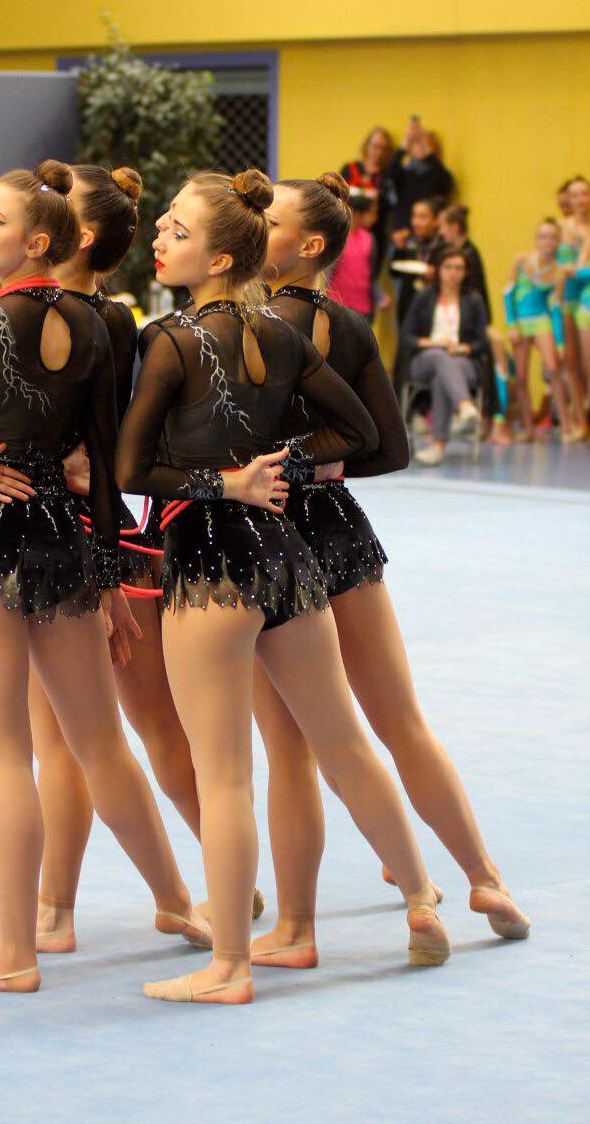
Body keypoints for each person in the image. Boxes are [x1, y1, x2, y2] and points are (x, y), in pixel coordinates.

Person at [117, 168, 450, 1006]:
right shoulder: (281, 333)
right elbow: (360, 431)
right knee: (343, 743)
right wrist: (287, 466)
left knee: (225, 775)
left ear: (219, 256)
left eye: (177, 230)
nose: (159, 237)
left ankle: (228, 965)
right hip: (287, 557)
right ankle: (419, 897)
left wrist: (224, 482)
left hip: (212, 563)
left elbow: (131, 469)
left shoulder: (169, 340)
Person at [0, 159, 210, 995]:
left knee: (4, 759)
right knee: (99, 743)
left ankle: (17, 956)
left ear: (35, 242)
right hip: (65, 542)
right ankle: (176, 901)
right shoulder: (97, 327)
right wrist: (107, 579)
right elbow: (102, 469)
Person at [0, 163, 247, 959]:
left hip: (107, 532)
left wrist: (85, 470)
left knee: (144, 726)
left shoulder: (106, 321)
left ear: (73, 236)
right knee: (68, 734)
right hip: (63, 526)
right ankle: (65, 907)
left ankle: (222, 876)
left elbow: (121, 435)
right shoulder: (46, 312)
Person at [245, 173, 529, 967]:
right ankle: (484, 879)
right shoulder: (348, 323)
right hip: (337, 528)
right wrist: (319, 466)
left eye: (268, 219)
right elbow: (388, 445)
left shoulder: (250, 326)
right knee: (399, 723)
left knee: (292, 749)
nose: (254, 227)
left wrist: (275, 467)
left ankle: (296, 928)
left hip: (267, 535)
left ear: (309, 244)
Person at [402, 246, 489, 465]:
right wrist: (433, 343)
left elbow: (482, 342)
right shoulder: (424, 296)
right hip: (426, 358)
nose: (453, 273)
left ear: (465, 272)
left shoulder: (473, 300)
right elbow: (406, 336)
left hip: (462, 360)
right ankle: (464, 405)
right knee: (439, 357)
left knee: (443, 374)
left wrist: (463, 348)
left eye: (459, 268)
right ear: (439, 270)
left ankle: (438, 446)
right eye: (449, 267)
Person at [439, 204, 513, 443]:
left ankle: (498, 422)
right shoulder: (456, 252)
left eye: (443, 226)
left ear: (454, 227)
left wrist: (482, 325)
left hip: (473, 324)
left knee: (496, 356)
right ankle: (488, 420)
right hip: (461, 323)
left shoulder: (469, 254)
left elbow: (480, 294)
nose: (440, 232)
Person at [504, 219, 578, 442]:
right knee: (521, 376)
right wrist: (511, 325)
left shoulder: (558, 272)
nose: (548, 241)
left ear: (558, 241)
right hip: (521, 322)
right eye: (543, 236)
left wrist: (561, 343)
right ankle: (529, 428)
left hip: (541, 321)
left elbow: (555, 309)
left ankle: (566, 426)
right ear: (536, 239)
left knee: (554, 369)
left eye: (553, 237)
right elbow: (508, 294)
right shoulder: (521, 260)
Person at [556, 177, 589, 438]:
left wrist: (576, 271)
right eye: (575, 195)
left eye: (584, 194)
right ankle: (581, 421)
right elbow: (552, 264)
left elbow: (578, 270)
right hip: (566, 298)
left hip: (586, 296)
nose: (580, 200)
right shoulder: (560, 228)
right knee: (571, 362)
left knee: (588, 361)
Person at [386, 117, 454, 241]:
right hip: (400, 234)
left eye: (425, 145)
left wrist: (427, 153)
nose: (420, 148)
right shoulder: (405, 174)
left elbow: (446, 182)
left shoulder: (437, 173)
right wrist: (407, 140)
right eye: (416, 144)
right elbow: (390, 172)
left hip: (428, 236)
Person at [340, 126, 396, 267]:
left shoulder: (388, 175)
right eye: (376, 146)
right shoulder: (350, 168)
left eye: (383, 148)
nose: (379, 152)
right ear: (367, 145)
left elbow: (391, 204)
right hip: (347, 230)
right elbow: (338, 195)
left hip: (375, 233)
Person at [328, 192, 388, 321]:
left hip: (363, 307)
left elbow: (371, 275)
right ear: (357, 213)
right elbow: (327, 272)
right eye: (371, 213)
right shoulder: (339, 236)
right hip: (338, 305)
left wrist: (379, 296)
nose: (375, 218)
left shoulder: (369, 239)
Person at [391, 197, 445, 327]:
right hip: (407, 306)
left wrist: (436, 274)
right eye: (414, 216)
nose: (416, 222)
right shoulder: (409, 240)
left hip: (432, 308)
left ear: (436, 221)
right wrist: (399, 248)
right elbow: (393, 272)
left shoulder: (443, 246)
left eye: (422, 217)